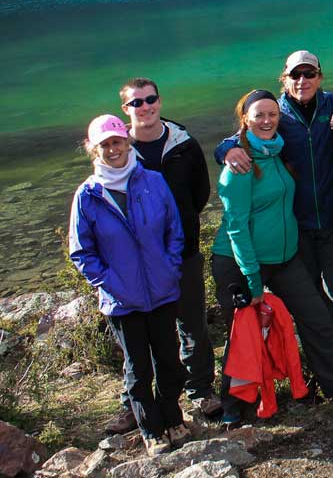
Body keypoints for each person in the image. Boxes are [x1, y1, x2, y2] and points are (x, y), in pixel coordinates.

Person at [212, 90, 333, 425]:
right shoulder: (239, 165)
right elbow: (237, 228)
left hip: (284, 259)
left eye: (273, 114)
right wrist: (253, 277)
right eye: (259, 115)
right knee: (242, 332)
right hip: (241, 262)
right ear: (245, 119)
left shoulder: (276, 151)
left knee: (316, 317)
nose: (268, 120)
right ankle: (233, 403)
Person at [217, 51, 333, 367]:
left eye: (309, 74)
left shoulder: (332, 104)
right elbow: (239, 136)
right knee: (309, 293)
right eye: (295, 75)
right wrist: (225, 149)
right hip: (297, 223)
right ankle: (318, 357)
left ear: (319, 77)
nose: (303, 81)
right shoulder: (277, 114)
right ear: (284, 79)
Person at [69, 115, 188, 456]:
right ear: (93, 150)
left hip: (163, 291)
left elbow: (173, 230)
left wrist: (169, 266)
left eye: (117, 141)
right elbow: (82, 252)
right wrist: (109, 284)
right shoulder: (88, 195)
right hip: (122, 300)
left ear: (127, 142)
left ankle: (172, 417)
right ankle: (151, 429)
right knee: (138, 369)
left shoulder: (152, 181)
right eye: (104, 144)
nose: (112, 149)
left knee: (169, 361)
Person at [105, 78, 218, 435]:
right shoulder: (118, 149)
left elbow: (201, 192)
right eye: (136, 103)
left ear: (160, 100)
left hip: (183, 252)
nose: (146, 107)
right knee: (139, 337)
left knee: (192, 325)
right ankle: (132, 404)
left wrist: (180, 225)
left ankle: (200, 390)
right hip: (138, 263)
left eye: (151, 99)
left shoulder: (183, 145)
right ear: (126, 109)